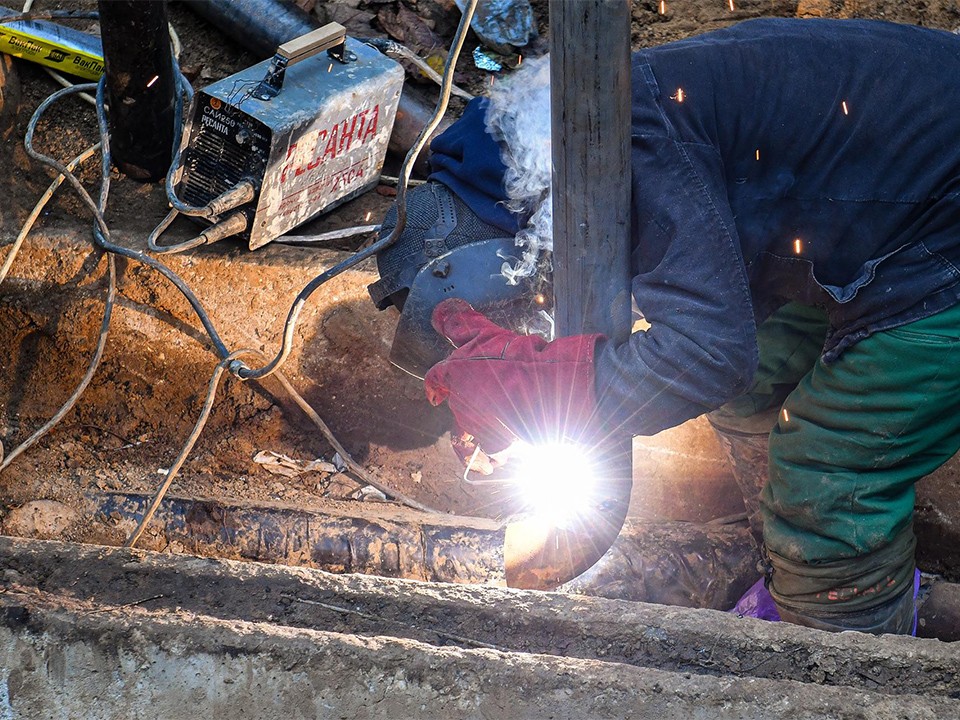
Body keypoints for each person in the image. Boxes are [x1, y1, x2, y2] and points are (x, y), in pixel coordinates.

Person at [369, 17, 960, 634]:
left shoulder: (635, 152)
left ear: (511, 265)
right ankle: (800, 567)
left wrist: (552, 389)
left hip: (944, 242)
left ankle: (848, 657)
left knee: (826, 467)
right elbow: (730, 354)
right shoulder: (567, 145)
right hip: (898, 210)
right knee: (761, 379)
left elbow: (711, 353)